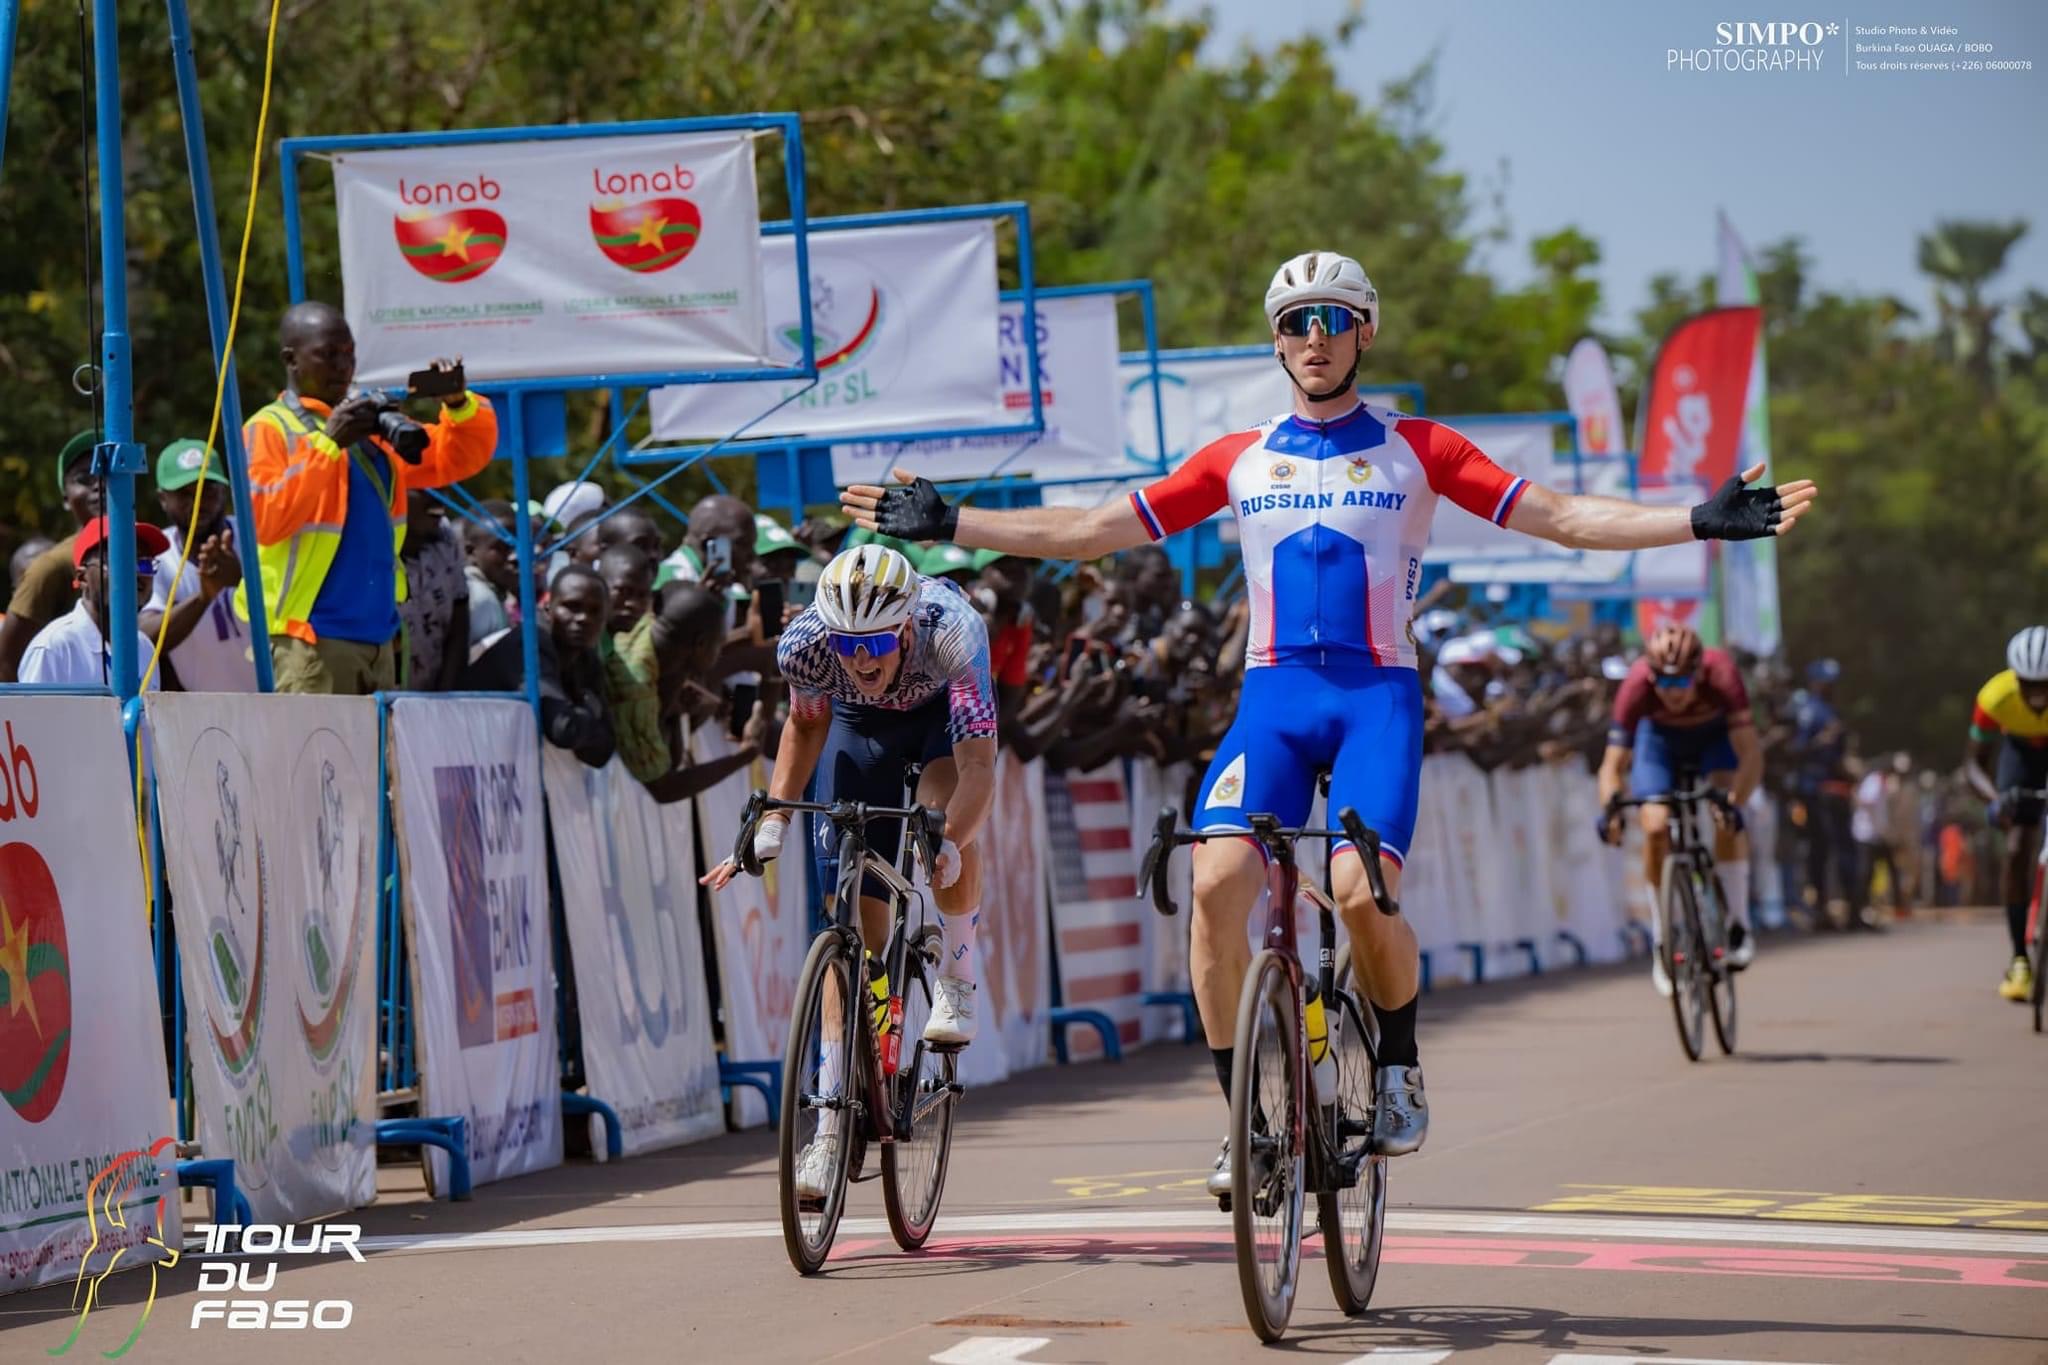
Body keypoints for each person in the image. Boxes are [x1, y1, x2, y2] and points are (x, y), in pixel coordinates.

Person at [843, 248, 1817, 1192]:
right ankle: (1240, 1122)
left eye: (1332, 320)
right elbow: (1091, 530)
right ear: (1275, 344)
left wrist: (1695, 518)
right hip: (1270, 703)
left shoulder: (1417, 451)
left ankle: (1395, 1063)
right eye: (1293, 324)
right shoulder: (1239, 459)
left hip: (1373, 702)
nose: (1312, 337)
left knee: (1356, 894)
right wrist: (952, 525)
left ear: (1363, 335)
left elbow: (1560, 518)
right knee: (1214, 882)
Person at [701, 543, 999, 1199]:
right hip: (860, 729)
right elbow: (805, 727)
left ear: (904, 627)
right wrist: (774, 818)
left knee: (938, 821)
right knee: (853, 935)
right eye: (847, 644)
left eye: (874, 644)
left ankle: (957, 973)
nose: (860, 659)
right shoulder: (806, 646)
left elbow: (980, 768)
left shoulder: (952, 628)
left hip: (939, 727)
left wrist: (950, 840)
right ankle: (831, 1125)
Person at [238, 300, 497, 694]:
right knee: (313, 757)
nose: (343, 367)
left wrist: (459, 405)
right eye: (327, 355)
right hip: (309, 642)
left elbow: (455, 458)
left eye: (348, 353)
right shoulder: (269, 429)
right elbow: (267, 521)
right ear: (291, 360)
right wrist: (328, 445)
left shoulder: (370, 428)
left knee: (374, 758)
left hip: (381, 641)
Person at [1595, 624, 1764, 983]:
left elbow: (1751, 754)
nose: (1673, 694)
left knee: (1723, 814)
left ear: (1699, 673)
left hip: (1713, 739)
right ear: (1651, 675)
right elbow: (1612, 765)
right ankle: (1664, 937)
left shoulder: (1722, 675)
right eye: (1664, 683)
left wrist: (1736, 801)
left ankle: (1737, 924)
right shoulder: (1636, 684)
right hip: (1659, 744)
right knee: (1655, 825)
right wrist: (1610, 807)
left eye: (1681, 683)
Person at [1963, 625, 2048, 1001]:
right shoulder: (1994, 698)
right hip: (2021, 758)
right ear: (2016, 678)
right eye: (2029, 684)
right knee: (2016, 849)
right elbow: (1973, 766)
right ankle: (2019, 959)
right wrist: (1996, 799)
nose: (2038, 694)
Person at [463, 564, 616, 768]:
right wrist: (589, 708)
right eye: (572, 606)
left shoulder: (587, 660)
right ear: (547, 607)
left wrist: (580, 716)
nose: (583, 618)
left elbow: (602, 753)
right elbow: (562, 728)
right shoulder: (529, 643)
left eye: (595, 611)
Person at [138, 439, 255, 692]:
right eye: (184, 494)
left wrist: (243, 582)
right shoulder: (158, 554)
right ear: (162, 499)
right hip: (203, 716)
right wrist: (203, 597)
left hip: (273, 699)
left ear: (224, 492)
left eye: (207, 490)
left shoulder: (254, 539)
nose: (198, 503)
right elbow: (144, 638)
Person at [19, 517, 169, 688]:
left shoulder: (144, 648)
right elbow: (35, 715)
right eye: (118, 561)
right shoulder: (54, 648)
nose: (134, 573)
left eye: (144, 564)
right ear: (82, 578)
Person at [0, 431, 102, 681]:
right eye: (84, 478)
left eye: (108, 472)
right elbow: (6, 663)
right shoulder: (51, 567)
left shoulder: (149, 553)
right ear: (66, 498)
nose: (100, 483)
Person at [1791, 658, 1860, 923]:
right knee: (1820, 851)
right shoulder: (1807, 710)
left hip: (1837, 789)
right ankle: (1821, 910)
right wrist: (1822, 741)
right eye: (1826, 681)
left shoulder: (1831, 710)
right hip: (1816, 790)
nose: (1831, 687)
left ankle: (1853, 911)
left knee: (1845, 850)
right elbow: (1794, 751)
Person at [396, 491, 469, 691]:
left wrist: (444, 699)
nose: (440, 498)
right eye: (425, 489)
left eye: (443, 488)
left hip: (434, 699)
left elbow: (458, 625)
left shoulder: (446, 538)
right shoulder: (370, 544)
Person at [463, 499, 521, 652]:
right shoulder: (478, 598)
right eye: (502, 548)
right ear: (471, 551)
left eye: (521, 545)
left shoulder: (494, 594)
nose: (516, 556)